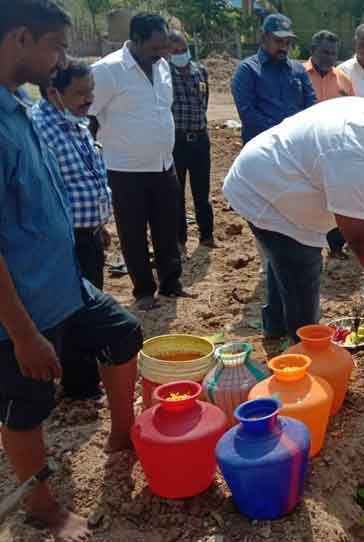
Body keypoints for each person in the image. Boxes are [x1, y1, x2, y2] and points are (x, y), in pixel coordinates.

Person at [0, 2, 142, 540]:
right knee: (26, 407)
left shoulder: (18, 105)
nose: (62, 58)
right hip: (21, 301)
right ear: (19, 38)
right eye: (55, 45)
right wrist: (22, 334)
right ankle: (42, 507)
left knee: (123, 332)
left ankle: (122, 437)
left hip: (62, 279)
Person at [223, 98, 364, 339]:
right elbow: (358, 239)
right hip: (263, 192)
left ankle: (275, 328)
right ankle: (303, 345)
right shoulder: (350, 153)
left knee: (285, 266)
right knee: (300, 265)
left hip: (279, 172)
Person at [90, 13, 190, 311]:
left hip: (163, 164)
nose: (161, 55)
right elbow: (88, 115)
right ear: (135, 41)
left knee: (167, 227)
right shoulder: (108, 70)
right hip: (125, 169)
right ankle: (143, 290)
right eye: (155, 48)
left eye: (164, 48)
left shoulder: (161, 67)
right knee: (133, 232)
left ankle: (171, 283)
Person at [32, 59, 110, 401]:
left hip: (87, 235)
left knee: (86, 305)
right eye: (80, 93)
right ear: (54, 92)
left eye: (91, 91)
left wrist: (99, 225)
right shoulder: (39, 130)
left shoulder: (76, 123)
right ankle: (80, 384)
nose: (88, 98)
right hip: (63, 240)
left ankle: (84, 374)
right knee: (73, 312)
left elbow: (86, 179)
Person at [303, 30, 357, 260]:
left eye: (333, 53)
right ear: (312, 51)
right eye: (324, 52)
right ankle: (309, 243)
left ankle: (336, 247)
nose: (329, 57)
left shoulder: (343, 79)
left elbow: (351, 111)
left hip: (334, 148)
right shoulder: (299, 75)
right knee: (309, 196)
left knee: (336, 197)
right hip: (305, 147)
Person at [230, 13, 316, 144]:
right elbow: (249, 115)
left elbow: (311, 108)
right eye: (278, 41)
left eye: (287, 42)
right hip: (262, 148)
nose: (284, 47)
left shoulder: (298, 70)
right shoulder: (247, 70)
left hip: (295, 147)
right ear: (264, 38)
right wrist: (282, 132)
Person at [168, 30, 215, 254]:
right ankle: (179, 239)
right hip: (176, 141)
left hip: (200, 138)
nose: (180, 54)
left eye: (183, 50)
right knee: (176, 193)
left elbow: (203, 103)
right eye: (174, 51)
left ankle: (207, 236)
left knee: (202, 192)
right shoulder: (164, 74)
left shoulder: (200, 71)